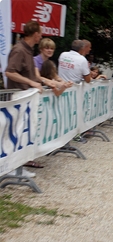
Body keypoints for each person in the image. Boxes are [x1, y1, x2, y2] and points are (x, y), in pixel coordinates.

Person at [4, 21, 51, 175]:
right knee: (16, 133)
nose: (42, 35)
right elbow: (9, 72)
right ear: (35, 34)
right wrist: (31, 82)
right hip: (19, 96)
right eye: (40, 32)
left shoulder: (28, 50)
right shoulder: (19, 50)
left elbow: (30, 74)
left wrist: (41, 82)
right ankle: (13, 168)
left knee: (22, 133)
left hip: (26, 97)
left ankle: (18, 166)